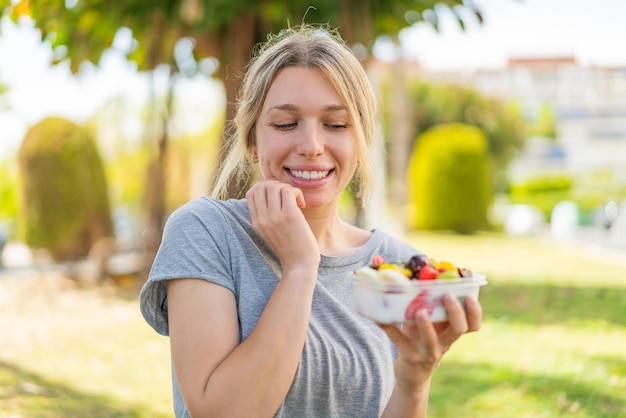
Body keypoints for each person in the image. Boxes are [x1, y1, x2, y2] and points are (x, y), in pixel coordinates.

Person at [140, 24, 482, 418]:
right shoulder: (206, 232)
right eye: (285, 124)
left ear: (360, 140)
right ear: (253, 140)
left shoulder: (396, 268)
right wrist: (301, 266)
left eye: (336, 125)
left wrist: (414, 379)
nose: (311, 146)